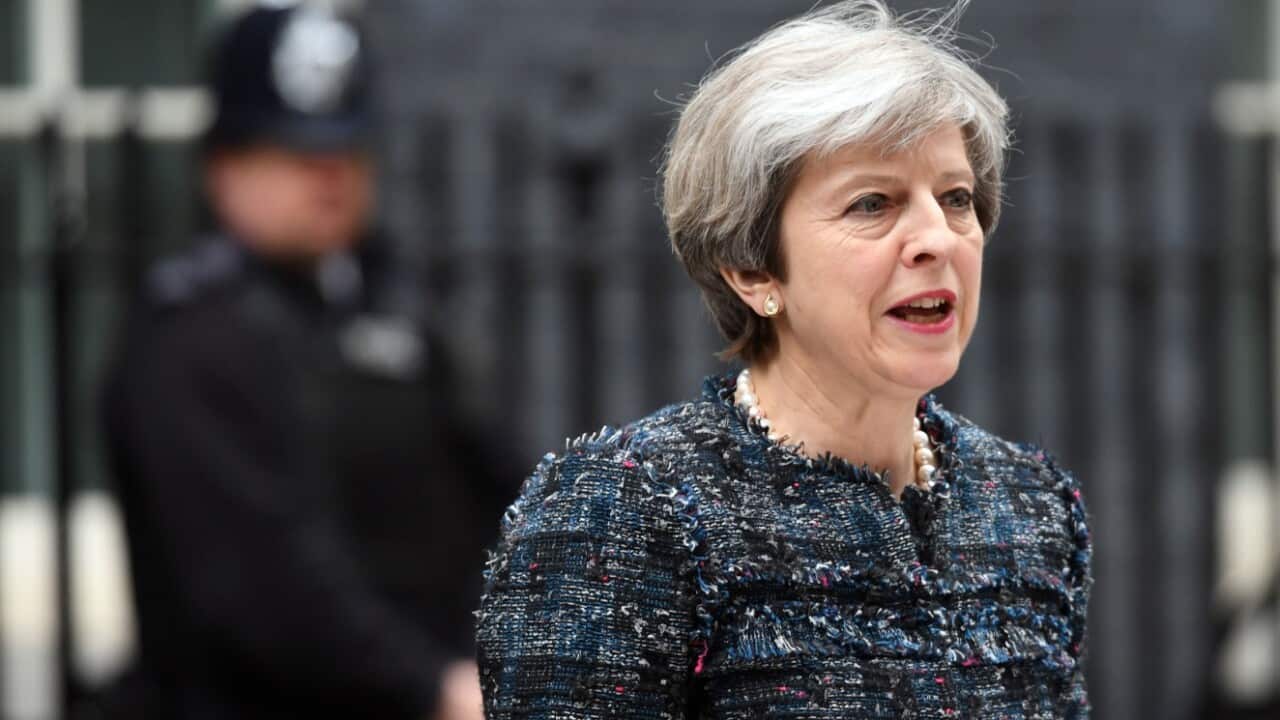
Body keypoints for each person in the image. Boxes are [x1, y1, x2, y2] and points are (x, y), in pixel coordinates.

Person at [475, 1, 1093, 717]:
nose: (938, 238)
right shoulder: (626, 514)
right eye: (872, 204)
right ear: (752, 269)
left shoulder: (1028, 505)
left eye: (955, 198)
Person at [101, 4, 505, 719]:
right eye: (293, 153)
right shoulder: (193, 338)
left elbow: (495, 497)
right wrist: (434, 688)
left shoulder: (387, 313)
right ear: (224, 167)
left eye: (346, 151)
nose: (329, 177)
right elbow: (264, 583)